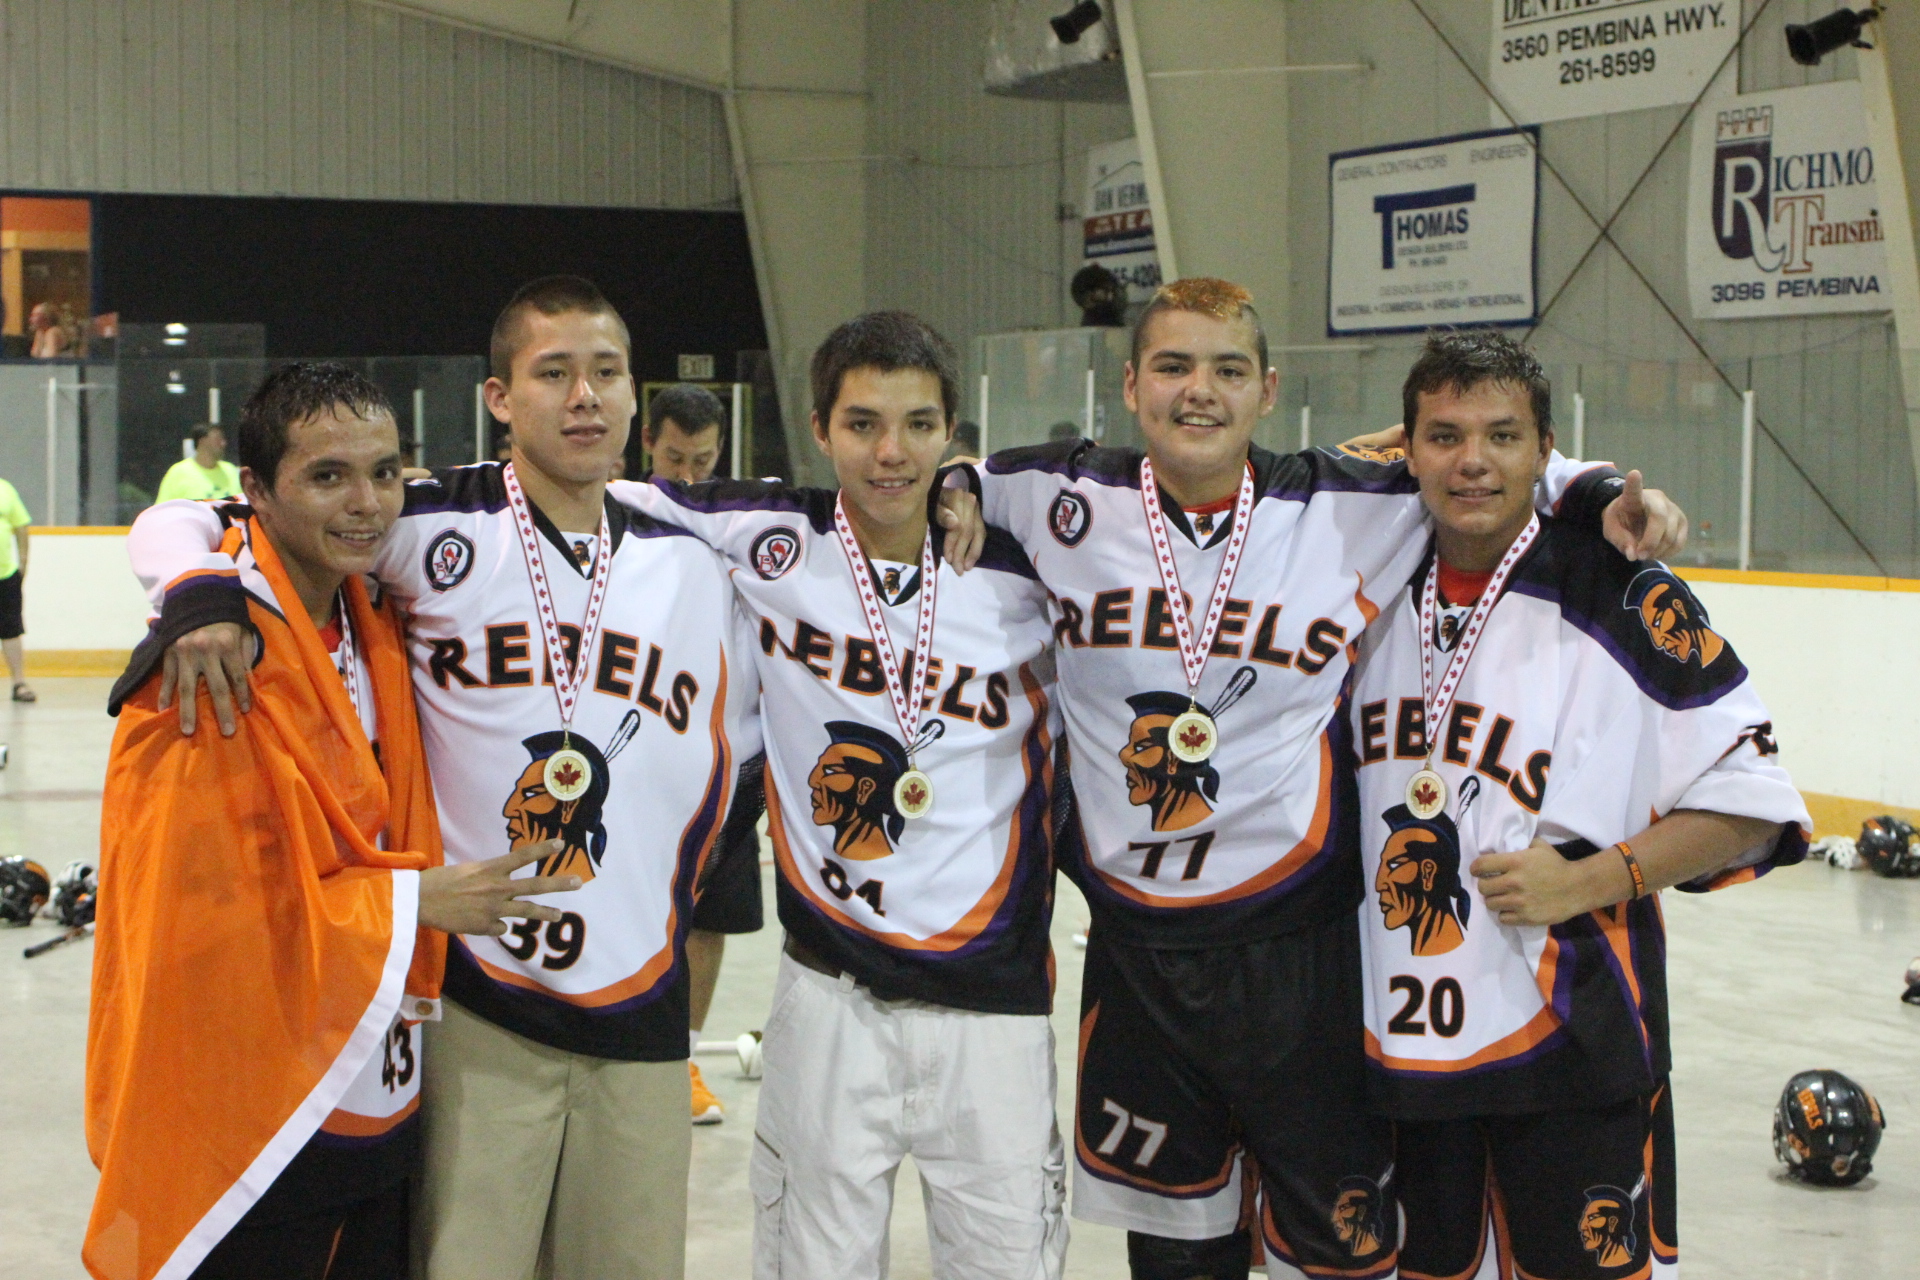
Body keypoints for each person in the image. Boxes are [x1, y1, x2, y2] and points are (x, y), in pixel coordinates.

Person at [959, 278, 1687, 1280]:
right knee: (1175, 1248)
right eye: (1172, 366)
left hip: (1304, 954)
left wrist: (1602, 490)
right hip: (1138, 957)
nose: (1197, 391)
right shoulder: (1055, 493)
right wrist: (951, 486)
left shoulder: (1351, 497)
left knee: (1334, 1253)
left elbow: (1481, 456)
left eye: (1226, 369)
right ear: (1130, 386)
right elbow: (935, 473)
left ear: (1268, 387)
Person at [125, 277, 759, 1280]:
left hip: (639, 992)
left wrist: (961, 492)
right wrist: (194, 589)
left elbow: (867, 518)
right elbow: (204, 520)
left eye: (605, 372)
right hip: (476, 998)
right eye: (554, 373)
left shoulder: (701, 544)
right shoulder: (419, 522)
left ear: (636, 393)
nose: (584, 396)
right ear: (501, 398)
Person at [89, 361, 578, 1280]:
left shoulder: (373, 609)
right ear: (256, 495)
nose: (367, 504)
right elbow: (191, 924)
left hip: (373, 1078)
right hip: (255, 1111)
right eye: (327, 477)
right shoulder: (207, 661)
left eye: (386, 472)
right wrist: (411, 905)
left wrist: (942, 477)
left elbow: (578, 483)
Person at [609, 311, 1066, 1278]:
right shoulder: (769, 538)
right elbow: (578, 494)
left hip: (997, 1012)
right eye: (862, 425)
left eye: (918, 426)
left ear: (954, 437)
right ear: (820, 430)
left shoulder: (1028, 571)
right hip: (829, 997)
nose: (889, 453)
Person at [1348, 331, 1808, 1280]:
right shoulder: (1358, 584)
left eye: (1503, 436)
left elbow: (1754, 804)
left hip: (1572, 1051)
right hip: (1393, 1059)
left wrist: (1595, 877)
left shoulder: (1621, 588)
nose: (1472, 460)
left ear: (1543, 448)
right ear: (1408, 448)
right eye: (1442, 436)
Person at [632, 379, 765, 1125]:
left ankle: (682, 1060)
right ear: (648, 443)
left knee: (713, 920)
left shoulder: (745, 518)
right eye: (675, 458)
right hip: (650, 756)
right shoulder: (616, 513)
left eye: (703, 461)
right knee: (652, 908)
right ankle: (634, 1050)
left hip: (732, 759)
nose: (687, 476)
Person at [644, 383, 726, 483]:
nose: (686, 479)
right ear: (648, 439)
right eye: (675, 458)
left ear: (720, 448)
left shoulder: (736, 498)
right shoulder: (622, 496)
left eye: (701, 461)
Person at [0, 475, 32, 702]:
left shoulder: (5, 489)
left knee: (11, 629)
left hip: (5, 573)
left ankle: (18, 683)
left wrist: (22, 562)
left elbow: (21, 526)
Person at [156, 423, 245, 502]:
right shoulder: (178, 472)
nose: (223, 444)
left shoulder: (230, 471)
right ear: (202, 441)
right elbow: (162, 509)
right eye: (218, 439)